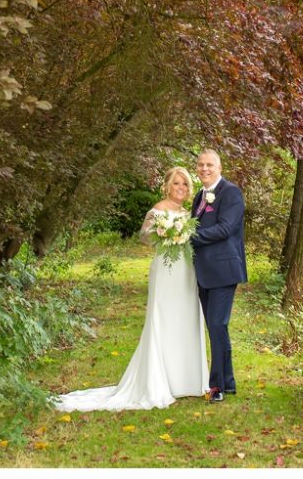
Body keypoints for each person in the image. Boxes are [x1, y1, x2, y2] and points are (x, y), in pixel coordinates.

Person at [53, 167, 208, 412]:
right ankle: (159, 381)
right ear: (167, 186)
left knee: (184, 319)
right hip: (165, 272)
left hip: (187, 272)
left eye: (186, 185)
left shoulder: (188, 213)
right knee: (163, 319)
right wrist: (163, 233)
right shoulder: (158, 210)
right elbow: (144, 236)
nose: (181, 188)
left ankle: (186, 381)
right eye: (177, 183)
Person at [191, 149, 247, 403]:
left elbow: (226, 228)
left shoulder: (231, 193)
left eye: (209, 165)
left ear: (219, 167)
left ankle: (217, 387)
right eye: (201, 164)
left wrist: (189, 236)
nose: (204, 168)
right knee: (216, 328)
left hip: (224, 271)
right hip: (204, 272)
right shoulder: (198, 197)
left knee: (217, 325)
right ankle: (229, 382)